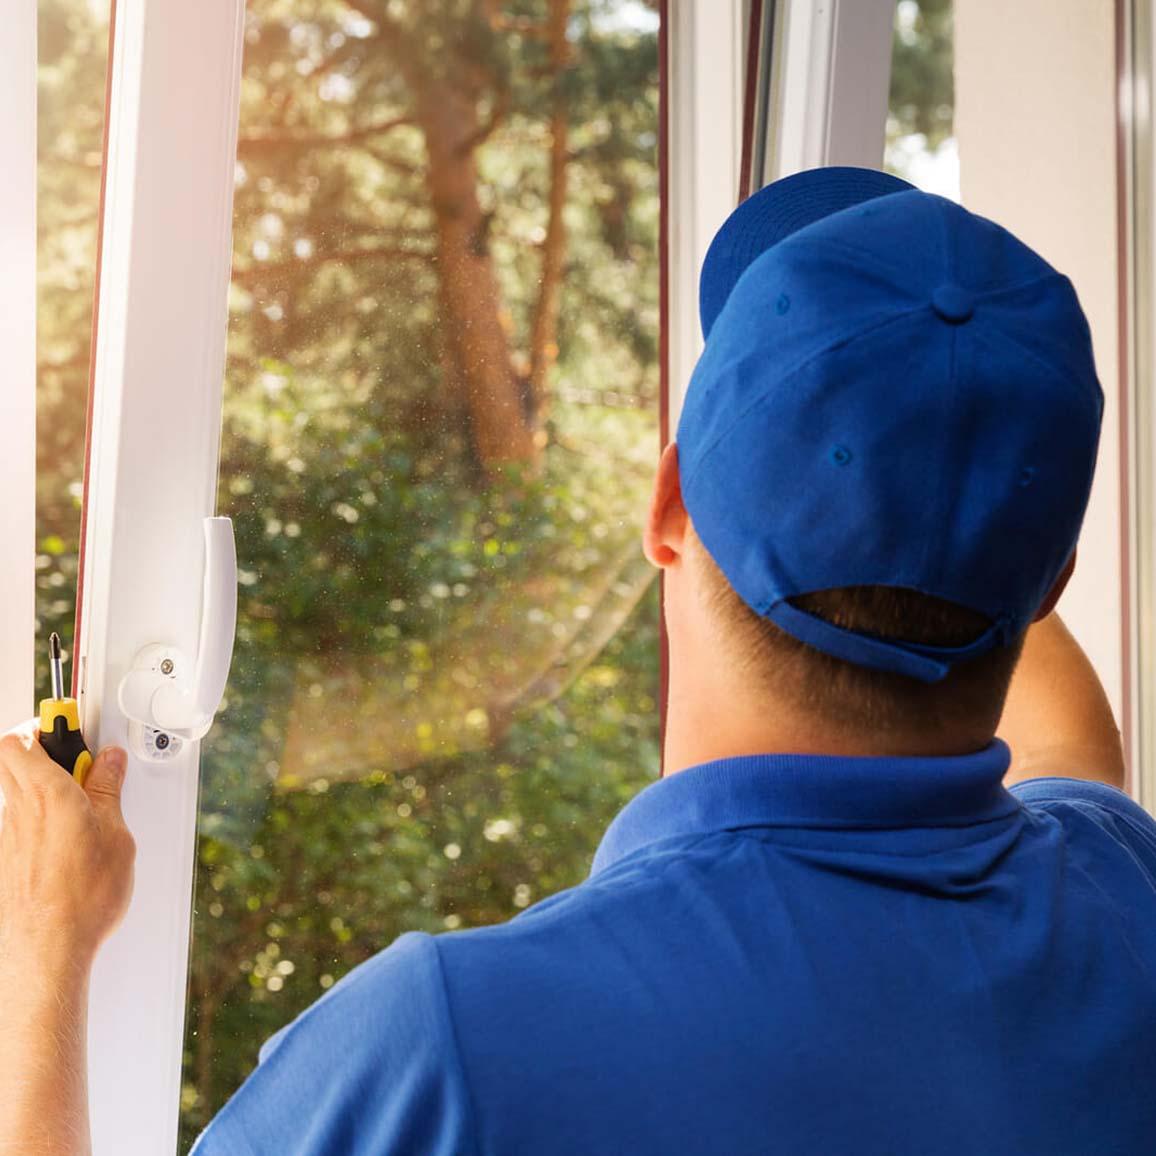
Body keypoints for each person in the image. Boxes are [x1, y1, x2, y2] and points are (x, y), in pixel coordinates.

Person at [1, 166, 1152, 1156]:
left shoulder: (452, 1054)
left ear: (665, 505)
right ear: (1047, 581)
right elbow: (1071, 750)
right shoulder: (1120, 893)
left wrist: (43, 959)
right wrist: (947, 462)